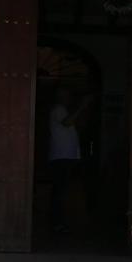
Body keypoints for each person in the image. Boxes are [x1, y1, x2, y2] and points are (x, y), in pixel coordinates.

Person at [49, 88, 90, 233]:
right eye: (66, 95)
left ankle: (60, 221)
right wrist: (82, 107)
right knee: (60, 190)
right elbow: (67, 123)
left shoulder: (63, 110)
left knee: (62, 190)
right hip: (61, 156)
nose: (69, 98)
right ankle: (57, 222)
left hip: (65, 156)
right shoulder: (59, 109)